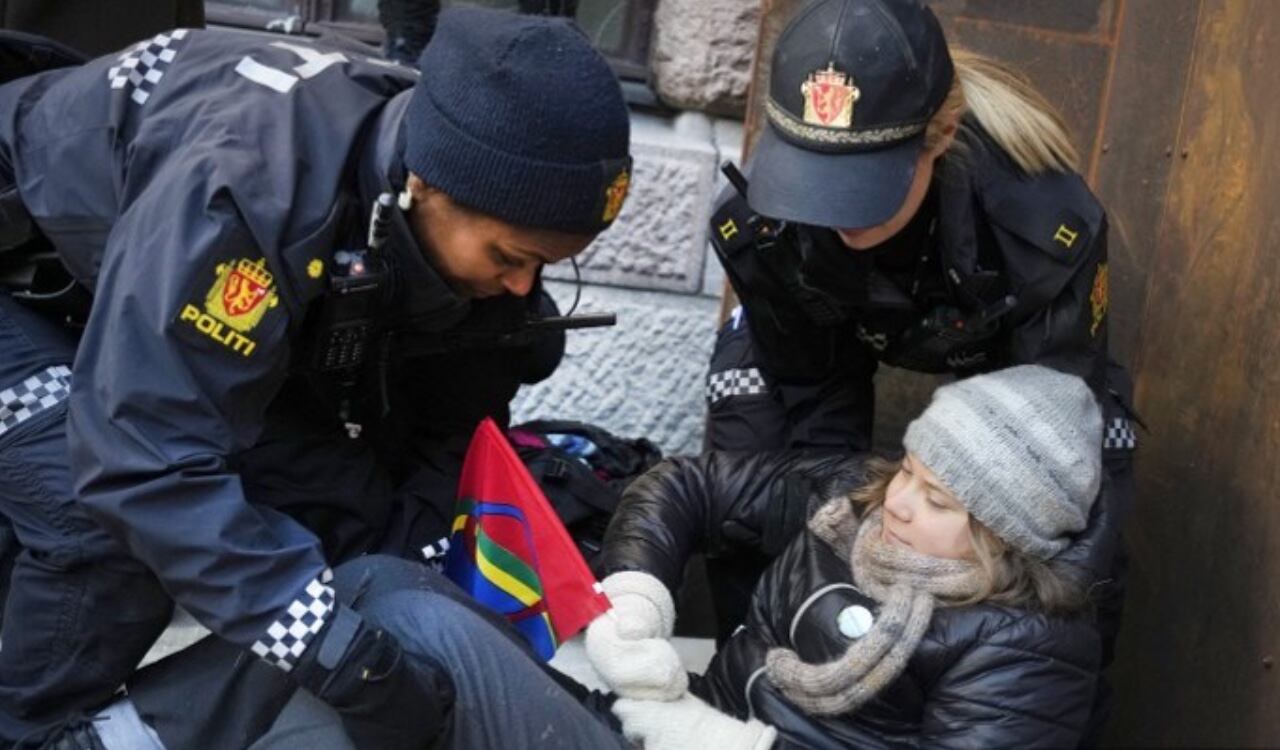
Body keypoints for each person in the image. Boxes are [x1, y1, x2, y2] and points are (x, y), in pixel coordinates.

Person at [0, 7, 631, 747]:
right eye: (509, 258)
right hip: (23, 280)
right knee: (99, 516)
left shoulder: (453, 171)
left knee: (349, 511)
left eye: (546, 266)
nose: (523, 286)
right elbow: (141, 459)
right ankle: (28, 733)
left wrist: (429, 604)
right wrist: (337, 656)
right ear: (424, 186)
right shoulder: (249, 191)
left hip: (127, 286)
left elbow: (440, 441)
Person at [701, 0, 1136, 681]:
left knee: (1076, 514)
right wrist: (828, 529)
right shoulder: (760, 222)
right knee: (757, 490)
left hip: (1003, 359)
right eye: (817, 179)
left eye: (861, 185)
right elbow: (815, 394)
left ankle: (1020, 704)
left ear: (941, 136)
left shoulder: (1042, 227)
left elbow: (1053, 429)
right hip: (822, 342)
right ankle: (750, 684)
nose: (836, 213)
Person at [588, 365, 1106, 748]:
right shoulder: (852, 500)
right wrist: (635, 595)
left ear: (1005, 538)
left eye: (937, 500)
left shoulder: (1030, 649)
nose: (897, 503)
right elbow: (688, 485)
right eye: (908, 470)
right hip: (681, 716)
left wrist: (723, 743)